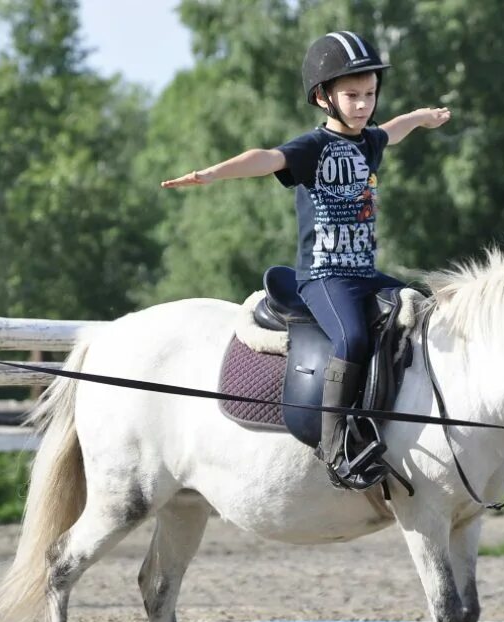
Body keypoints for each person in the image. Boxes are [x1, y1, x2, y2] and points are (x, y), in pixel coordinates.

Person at [162, 31, 451, 489]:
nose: (363, 105)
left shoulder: (368, 143)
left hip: (364, 275)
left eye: (370, 95)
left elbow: (393, 131)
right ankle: (335, 444)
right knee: (352, 338)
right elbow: (267, 157)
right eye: (352, 96)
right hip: (324, 278)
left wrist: (422, 117)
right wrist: (214, 173)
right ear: (323, 98)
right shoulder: (311, 148)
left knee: (428, 308)